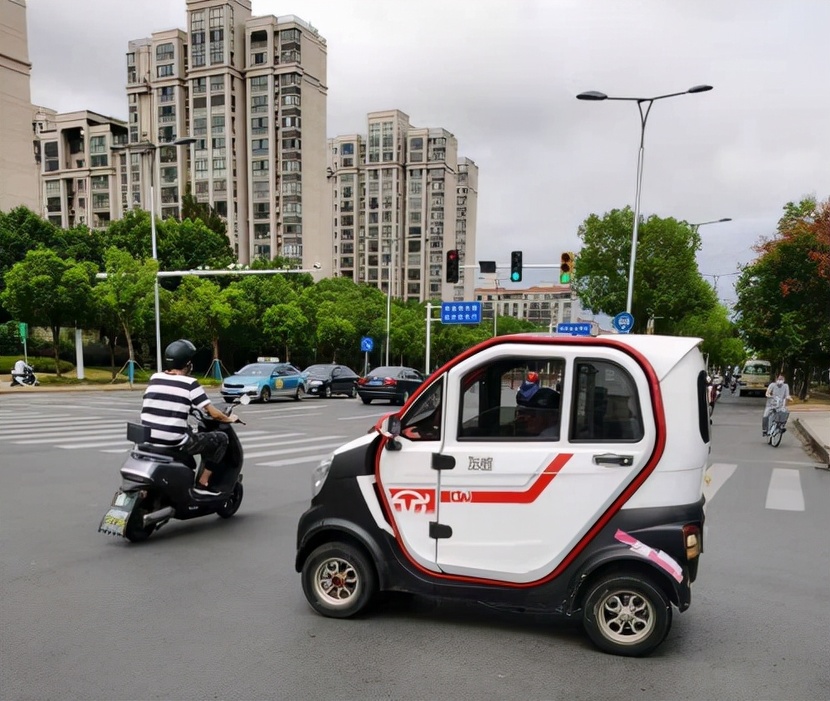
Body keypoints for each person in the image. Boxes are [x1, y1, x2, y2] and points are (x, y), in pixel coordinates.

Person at [140, 339, 238, 495]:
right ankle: (203, 481)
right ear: (187, 363)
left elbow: (169, 400)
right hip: (174, 441)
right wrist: (229, 419)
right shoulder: (190, 383)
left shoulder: (155, 378)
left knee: (188, 430)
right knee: (221, 439)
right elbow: (213, 413)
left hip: (148, 438)